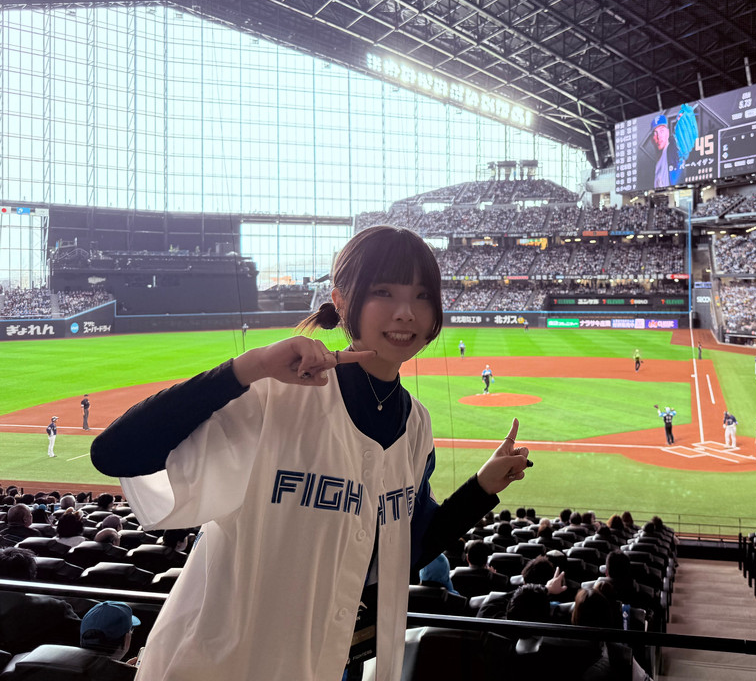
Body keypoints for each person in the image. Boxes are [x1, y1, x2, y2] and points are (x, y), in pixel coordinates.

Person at [89, 226, 531, 681]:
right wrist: (250, 367)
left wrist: (481, 488)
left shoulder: (416, 424)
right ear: (341, 302)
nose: (405, 312)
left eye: (422, 295)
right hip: (214, 664)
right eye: (384, 291)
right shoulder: (276, 395)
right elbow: (115, 453)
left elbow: (405, 549)